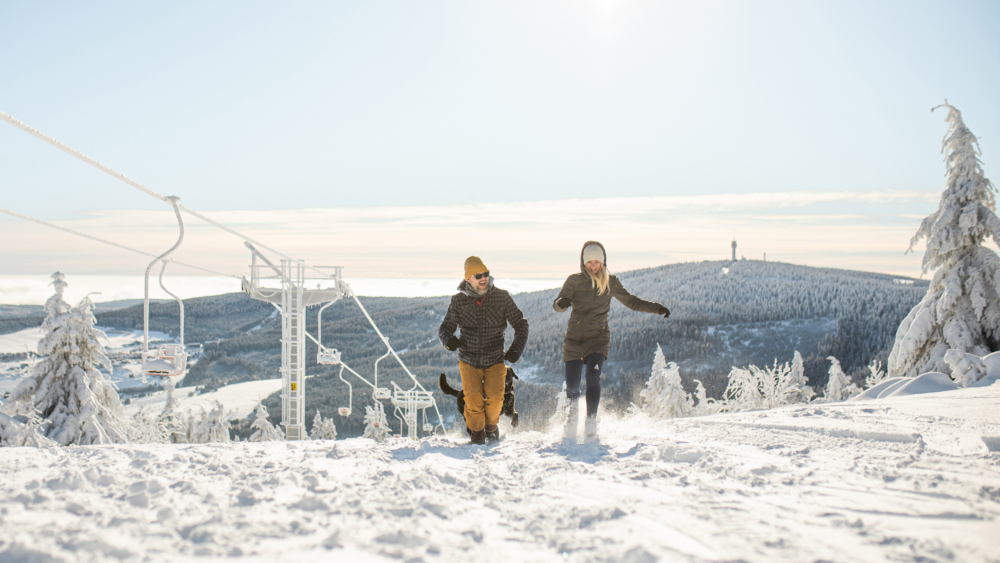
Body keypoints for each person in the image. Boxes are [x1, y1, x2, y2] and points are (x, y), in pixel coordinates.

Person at [553, 241, 670, 442]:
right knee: (572, 386)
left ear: (603, 261)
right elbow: (558, 305)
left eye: (596, 262)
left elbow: (632, 302)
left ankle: (590, 422)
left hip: (598, 339)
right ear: (583, 262)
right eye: (589, 262)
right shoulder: (574, 281)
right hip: (574, 339)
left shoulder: (610, 282)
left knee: (592, 376)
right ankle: (571, 421)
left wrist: (657, 308)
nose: (593, 266)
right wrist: (561, 304)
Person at [440, 256, 529, 444]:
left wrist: (515, 350)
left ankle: (491, 428)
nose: (483, 278)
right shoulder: (458, 301)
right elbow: (444, 329)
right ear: (468, 279)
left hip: (495, 357)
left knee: (496, 399)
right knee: (472, 399)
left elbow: (521, 325)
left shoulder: (501, 297)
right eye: (478, 275)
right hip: (468, 358)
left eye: (486, 274)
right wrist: (449, 341)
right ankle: (477, 433)